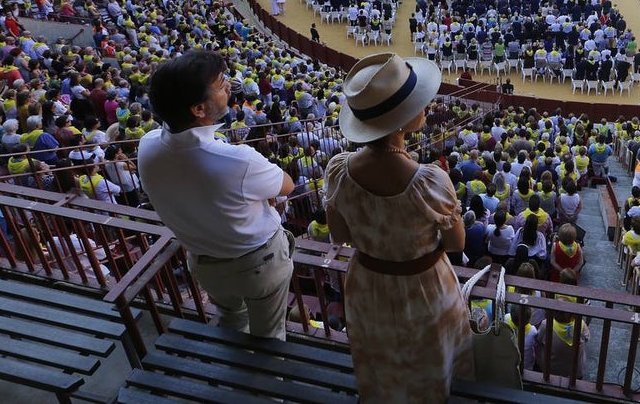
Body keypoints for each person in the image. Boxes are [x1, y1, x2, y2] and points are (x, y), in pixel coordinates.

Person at [323, 52, 472, 403]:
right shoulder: (431, 181)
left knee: (382, 367)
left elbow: (340, 235)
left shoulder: (338, 170)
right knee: (431, 367)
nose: (426, 106)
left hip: (368, 288)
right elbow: (455, 243)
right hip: (424, 290)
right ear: (401, 121)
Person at [138, 50, 295, 338]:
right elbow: (287, 185)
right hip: (257, 263)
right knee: (269, 333)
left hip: (204, 263)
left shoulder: (147, 146)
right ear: (198, 109)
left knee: (231, 321)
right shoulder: (238, 160)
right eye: (221, 83)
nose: (228, 86)